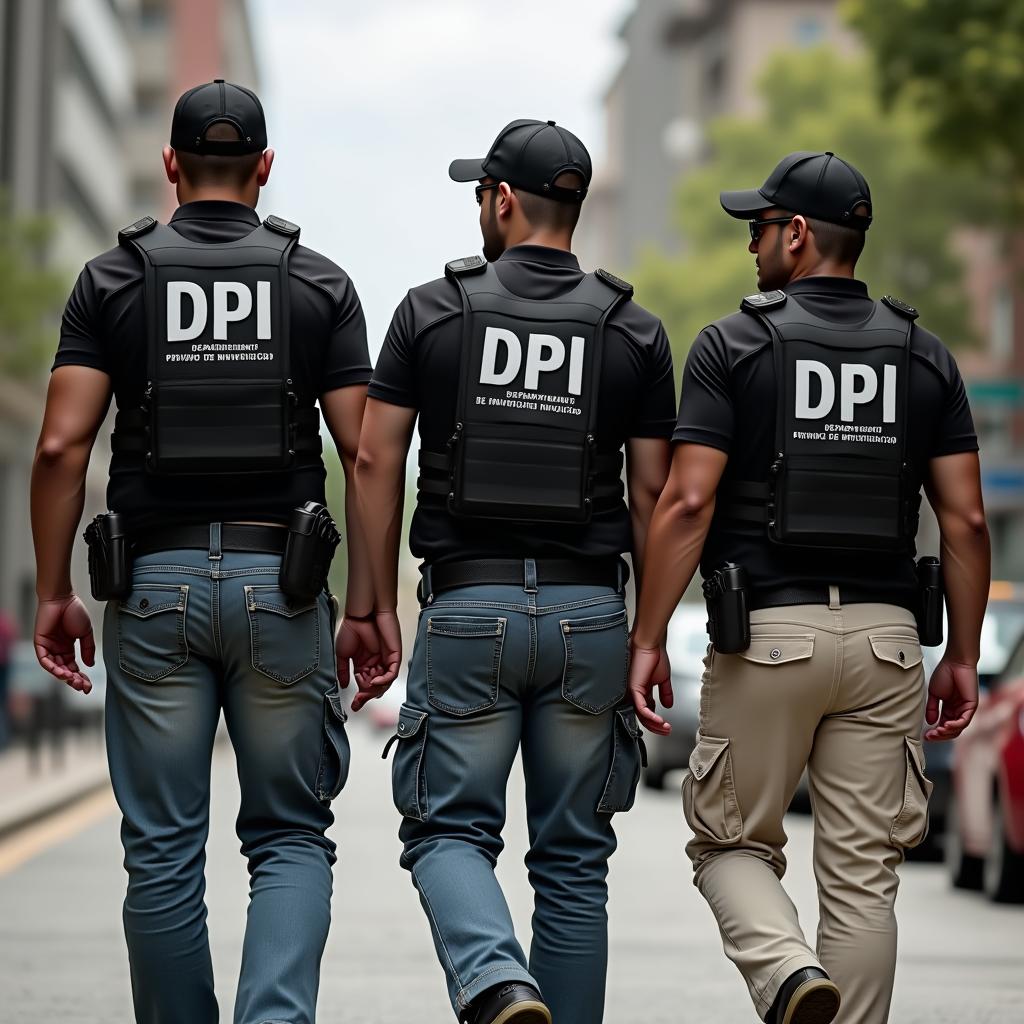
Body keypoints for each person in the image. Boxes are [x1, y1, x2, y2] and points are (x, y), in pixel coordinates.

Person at [30, 80, 379, 1024]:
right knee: (293, 836)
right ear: (266, 168)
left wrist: (54, 590)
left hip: (150, 585)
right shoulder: (318, 284)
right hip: (285, 584)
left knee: (163, 848)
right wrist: (368, 603)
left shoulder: (111, 279)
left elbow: (62, 445)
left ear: (171, 166)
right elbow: (367, 451)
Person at [627, 151, 989, 1024]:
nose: (752, 246)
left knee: (728, 844)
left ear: (796, 234)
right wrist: (964, 659)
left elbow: (686, 499)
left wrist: (646, 636)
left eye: (758, 228)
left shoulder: (733, 344)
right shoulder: (923, 354)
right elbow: (967, 521)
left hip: (768, 639)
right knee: (864, 877)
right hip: (889, 644)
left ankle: (789, 973)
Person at [355, 119, 676, 1024]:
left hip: (468, 607)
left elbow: (376, 461)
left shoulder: (431, 309)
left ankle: (496, 982)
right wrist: (647, 635)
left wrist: (369, 604)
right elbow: (655, 496)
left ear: (502, 201)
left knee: (448, 829)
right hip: (590, 616)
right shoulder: (633, 327)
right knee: (574, 861)